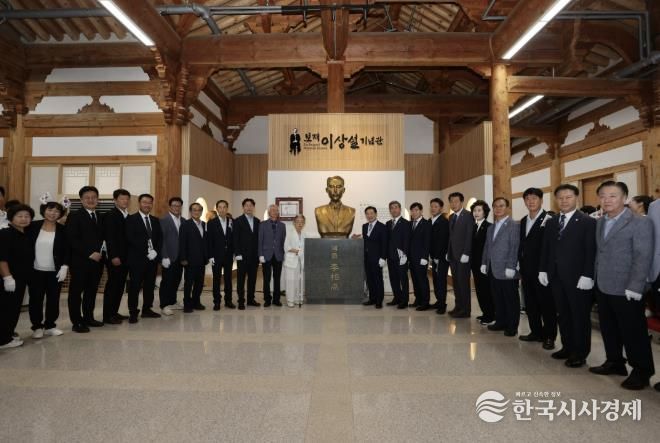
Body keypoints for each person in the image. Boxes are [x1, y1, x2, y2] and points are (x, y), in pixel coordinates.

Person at [589, 181, 655, 390]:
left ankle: (642, 371)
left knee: (633, 331)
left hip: (627, 287)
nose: (607, 200)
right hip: (603, 284)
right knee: (608, 328)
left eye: (613, 195)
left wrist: (636, 285)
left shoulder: (640, 222)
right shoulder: (601, 221)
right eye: (602, 196)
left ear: (625, 198)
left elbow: (643, 256)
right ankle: (615, 362)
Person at [539, 184, 596, 368]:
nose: (564, 201)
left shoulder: (587, 222)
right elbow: (546, 248)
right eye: (560, 198)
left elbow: (591, 251)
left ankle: (580, 352)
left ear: (576, 198)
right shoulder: (552, 221)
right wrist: (543, 269)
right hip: (556, 277)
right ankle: (567, 346)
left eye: (568, 197)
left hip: (578, 278)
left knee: (579, 316)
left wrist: (588, 274)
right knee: (563, 314)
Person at [518, 188, 557, 350]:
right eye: (527, 199)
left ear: (541, 200)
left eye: (534, 198)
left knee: (546, 305)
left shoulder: (550, 219)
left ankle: (549, 336)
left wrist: (546, 269)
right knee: (531, 303)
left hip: (543, 272)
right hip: (526, 270)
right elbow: (522, 244)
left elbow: (552, 248)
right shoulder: (523, 221)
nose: (531, 201)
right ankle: (535, 332)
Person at [27, 200, 69, 339]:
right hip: (35, 270)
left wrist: (65, 266)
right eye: (50, 210)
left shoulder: (63, 229)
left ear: (60, 214)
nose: (53, 213)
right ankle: (37, 327)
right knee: (36, 299)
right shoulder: (32, 226)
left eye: (57, 211)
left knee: (53, 299)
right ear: (44, 210)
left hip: (55, 271)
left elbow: (67, 250)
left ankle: (50, 325)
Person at [66, 186, 104, 333]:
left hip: (97, 262)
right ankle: (76, 322)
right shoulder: (74, 216)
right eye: (87, 197)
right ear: (81, 200)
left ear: (98, 199)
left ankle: (89, 317)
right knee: (76, 293)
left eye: (94, 197)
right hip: (80, 262)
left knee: (91, 291)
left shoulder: (100, 216)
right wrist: (89, 253)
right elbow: (72, 239)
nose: (91, 200)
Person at [481, 198, 520, 336]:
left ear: (507, 208)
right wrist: (484, 262)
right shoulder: (491, 227)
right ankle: (500, 321)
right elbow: (487, 247)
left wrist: (511, 266)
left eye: (501, 206)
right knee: (497, 298)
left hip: (507, 269)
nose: (498, 209)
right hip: (493, 269)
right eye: (495, 206)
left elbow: (515, 247)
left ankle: (512, 326)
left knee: (510, 299)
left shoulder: (514, 225)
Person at [0, 204, 35, 348]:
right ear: (11, 218)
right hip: (9, 279)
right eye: (19, 216)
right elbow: (2, 259)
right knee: (6, 309)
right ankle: (3, 340)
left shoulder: (25, 234)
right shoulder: (5, 234)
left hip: (21, 278)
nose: (23, 219)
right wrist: (7, 278)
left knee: (14, 308)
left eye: (27, 216)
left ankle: (7, 334)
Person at [125, 193, 163, 323]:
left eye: (149, 202)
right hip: (137, 260)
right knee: (135, 287)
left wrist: (156, 252)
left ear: (152, 204)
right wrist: (147, 251)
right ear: (139, 203)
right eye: (144, 202)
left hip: (152, 261)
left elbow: (159, 239)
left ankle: (147, 309)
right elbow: (130, 238)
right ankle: (133, 312)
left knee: (149, 286)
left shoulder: (155, 220)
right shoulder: (131, 219)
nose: (147, 205)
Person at [102, 189, 130, 324]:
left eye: (127, 199)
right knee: (113, 286)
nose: (125, 201)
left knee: (120, 286)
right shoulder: (111, 215)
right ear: (115, 200)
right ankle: (108, 316)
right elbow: (110, 237)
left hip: (125, 257)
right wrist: (113, 256)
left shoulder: (127, 215)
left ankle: (114, 312)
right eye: (122, 199)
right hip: (115, 257)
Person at [447, 192, 474, 317]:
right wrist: (448, 252)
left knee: (463, 284)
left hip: (463, 257)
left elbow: (469, 235)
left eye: (456, 201)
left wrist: (466, 253)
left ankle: (465, 310)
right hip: (453, 256)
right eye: (451, 201)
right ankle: (458, 306)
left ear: (462, 202)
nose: (453, 204)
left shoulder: (468, 216)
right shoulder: (451, 217)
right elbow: (451, 237)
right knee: (456, 283)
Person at [179, 202, 208, 313]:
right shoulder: (185, 224)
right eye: (194, 210)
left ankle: (196, 302)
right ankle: (187, 304)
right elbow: (182, 242)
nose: (196, 212)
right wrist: (183, 258)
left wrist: (207, 257)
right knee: (189, 283)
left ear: (201, 212)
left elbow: (205, 242)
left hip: (202, 260)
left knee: (199, 283)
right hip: (189, 260)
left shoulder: (204, 224)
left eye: (199, 210)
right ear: (190, 212)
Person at [233, 198, 261, 310]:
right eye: (246, 205)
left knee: (252, 279)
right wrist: (237, 253)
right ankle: (241, 301)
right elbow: (235, 239)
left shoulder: (258, 221)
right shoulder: (237, 221)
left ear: (253, 207)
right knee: (241, 280)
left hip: (254, 256)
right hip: (242, 256)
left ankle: (250, 299)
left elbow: (259, 239)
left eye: (251, 205)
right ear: (243, 207)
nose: (249, 207)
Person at [159, 197, 185, 315]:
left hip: (180, 258)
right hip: (169, 257)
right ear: (170, 207)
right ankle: (164, 305)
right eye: (174, 205)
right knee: (167, 281)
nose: (176, 208)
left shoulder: (183, 220)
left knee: (176, 280)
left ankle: (172, 301)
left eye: (178, 206)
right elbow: (162, 240)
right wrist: (164, 256)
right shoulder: (164, 220)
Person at [207, 199, 235, 310]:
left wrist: (234, 253)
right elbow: (209, 241)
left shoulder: (232, 222)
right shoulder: (211, 223)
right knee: (216, 280)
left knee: (228, 279)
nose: (222, 209)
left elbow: (234, 239)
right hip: (216, 256)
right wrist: (210, 256)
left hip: (228, 256)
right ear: (217, 209)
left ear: (227, 209)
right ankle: (217, 302)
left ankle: (228, 301)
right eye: (220, 207)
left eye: (224, 207)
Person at [470, 200, 494, 325]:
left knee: (486, 290)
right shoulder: (474, 226)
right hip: (475, 264)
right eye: (474, 210)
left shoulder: (489, 226)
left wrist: (485, 263)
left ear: (485, 212)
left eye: (479, 210)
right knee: (479, 290)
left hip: (485, 264)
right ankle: (485, 313)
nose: (476, 213)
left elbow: (489, 248)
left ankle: (491, 316)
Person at [259, 204, 286, 307]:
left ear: (278, 213)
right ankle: (267, 299)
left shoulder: (282, 225)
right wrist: (260, 254)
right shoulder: (262, 224)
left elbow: (283, 241)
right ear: (269, 212)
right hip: (266, 255)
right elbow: (260, 240)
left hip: (278, 255)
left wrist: (283, 254)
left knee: (277, 278)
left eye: (276, 210)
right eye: (272, 210)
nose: (274, 212)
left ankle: (276, 299)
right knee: (266, 279)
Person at [361, 206, 387, 308]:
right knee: (370, 279)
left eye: (371, 213)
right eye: (367, 214)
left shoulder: (382, 227)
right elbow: (366, 240)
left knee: (378, 279)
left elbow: (384, 243)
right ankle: (372, 298)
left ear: (376, 214)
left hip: (377, 258)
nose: (369, 215)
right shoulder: (364, 226)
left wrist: (383, 257)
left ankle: (379, 300)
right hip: (367, 258)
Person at [385, 201, 410, 309]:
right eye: (392, 208)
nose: (394, 209)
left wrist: (405, 255)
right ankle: (397, 298)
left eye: (396, 207)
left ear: (400, 209)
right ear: (390, 210)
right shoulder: (388, 224)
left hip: (401, 257)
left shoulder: (406, 223)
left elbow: (407, 240)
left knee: (403, 279)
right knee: (393, 279)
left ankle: (404, 300)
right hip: (390, 257)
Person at [408, 202, 431, 311]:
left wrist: (425, 257)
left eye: (416, 210)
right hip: (411, 258)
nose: (414, 212)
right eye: (412, 210)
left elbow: (427, 241)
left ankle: (425, 302)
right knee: (415, 280)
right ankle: (418, 299)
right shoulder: (410, 223)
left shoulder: (426, 224)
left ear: (421, 211)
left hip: (421, 258)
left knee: (422, 280)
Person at [429, 198, 450, 314]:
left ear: (441, 208)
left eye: (436, 206)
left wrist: (437, 256)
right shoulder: (430, 220)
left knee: (441, 281)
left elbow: (443, 241)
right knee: (436, 280)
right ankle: (438, 300)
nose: (433, 208)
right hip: (433, 257)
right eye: (432, 206)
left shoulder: (444, 221)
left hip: (441, 257)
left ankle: (442, 304)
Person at [284, 214, 306, 307]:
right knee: (290, 281)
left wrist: (301, 252)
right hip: (291, 261)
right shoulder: (290, 233)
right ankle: (290, 300)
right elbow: (286, 247)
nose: (300, 224)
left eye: (302, 222)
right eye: (298, 222)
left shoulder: (304, 234)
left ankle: (297, 298)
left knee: (298, 281)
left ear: (304, 223)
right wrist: (296, 251)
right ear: (294, 223)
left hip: (300, 261)